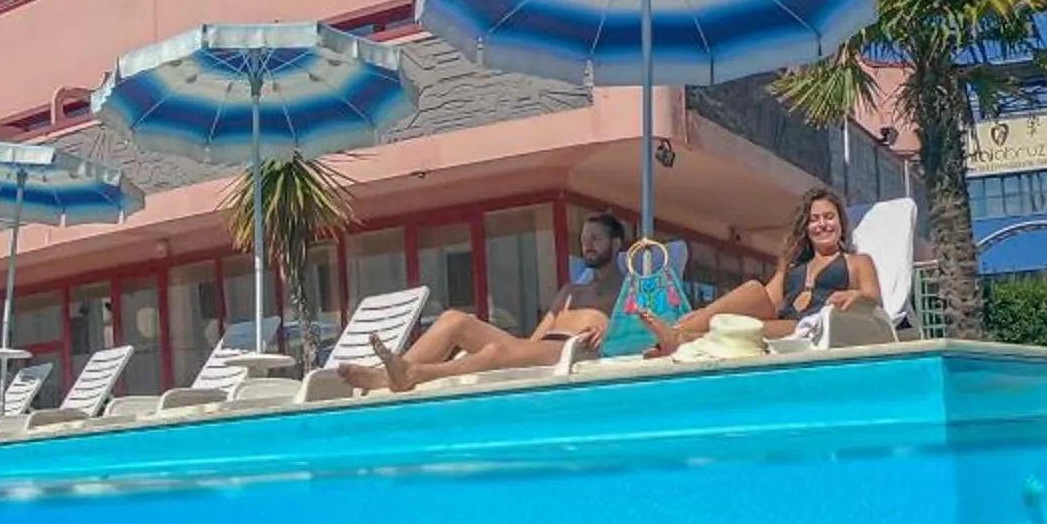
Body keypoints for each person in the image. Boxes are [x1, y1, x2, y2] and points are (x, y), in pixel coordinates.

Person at [342, 212, 629, 393]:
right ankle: (385, 377)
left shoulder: (627, 288)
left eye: (596, 238)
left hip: (573, 350)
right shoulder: (570, 291)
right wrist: (519, 351)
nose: (587, 244)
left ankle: (415, 373)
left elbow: (637, 330)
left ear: (616, 244)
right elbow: (537, 336)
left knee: (494, 352)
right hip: (541, 348)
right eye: (583, 239)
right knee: (454, 319)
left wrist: (612, 332)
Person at [646, 187, 880, 357]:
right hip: (785, 318)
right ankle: (679, 331)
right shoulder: (794, 265)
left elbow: (874, 299)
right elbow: (767, 298)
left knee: (757, 328)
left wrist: (856, 296)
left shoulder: (857, 261)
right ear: (806, 228)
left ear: (841, 223)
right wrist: (703, 314)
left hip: (811, 327)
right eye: (814, 220)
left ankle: (680, 340)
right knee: (753, 289)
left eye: (829, 217)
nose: (822, 225)